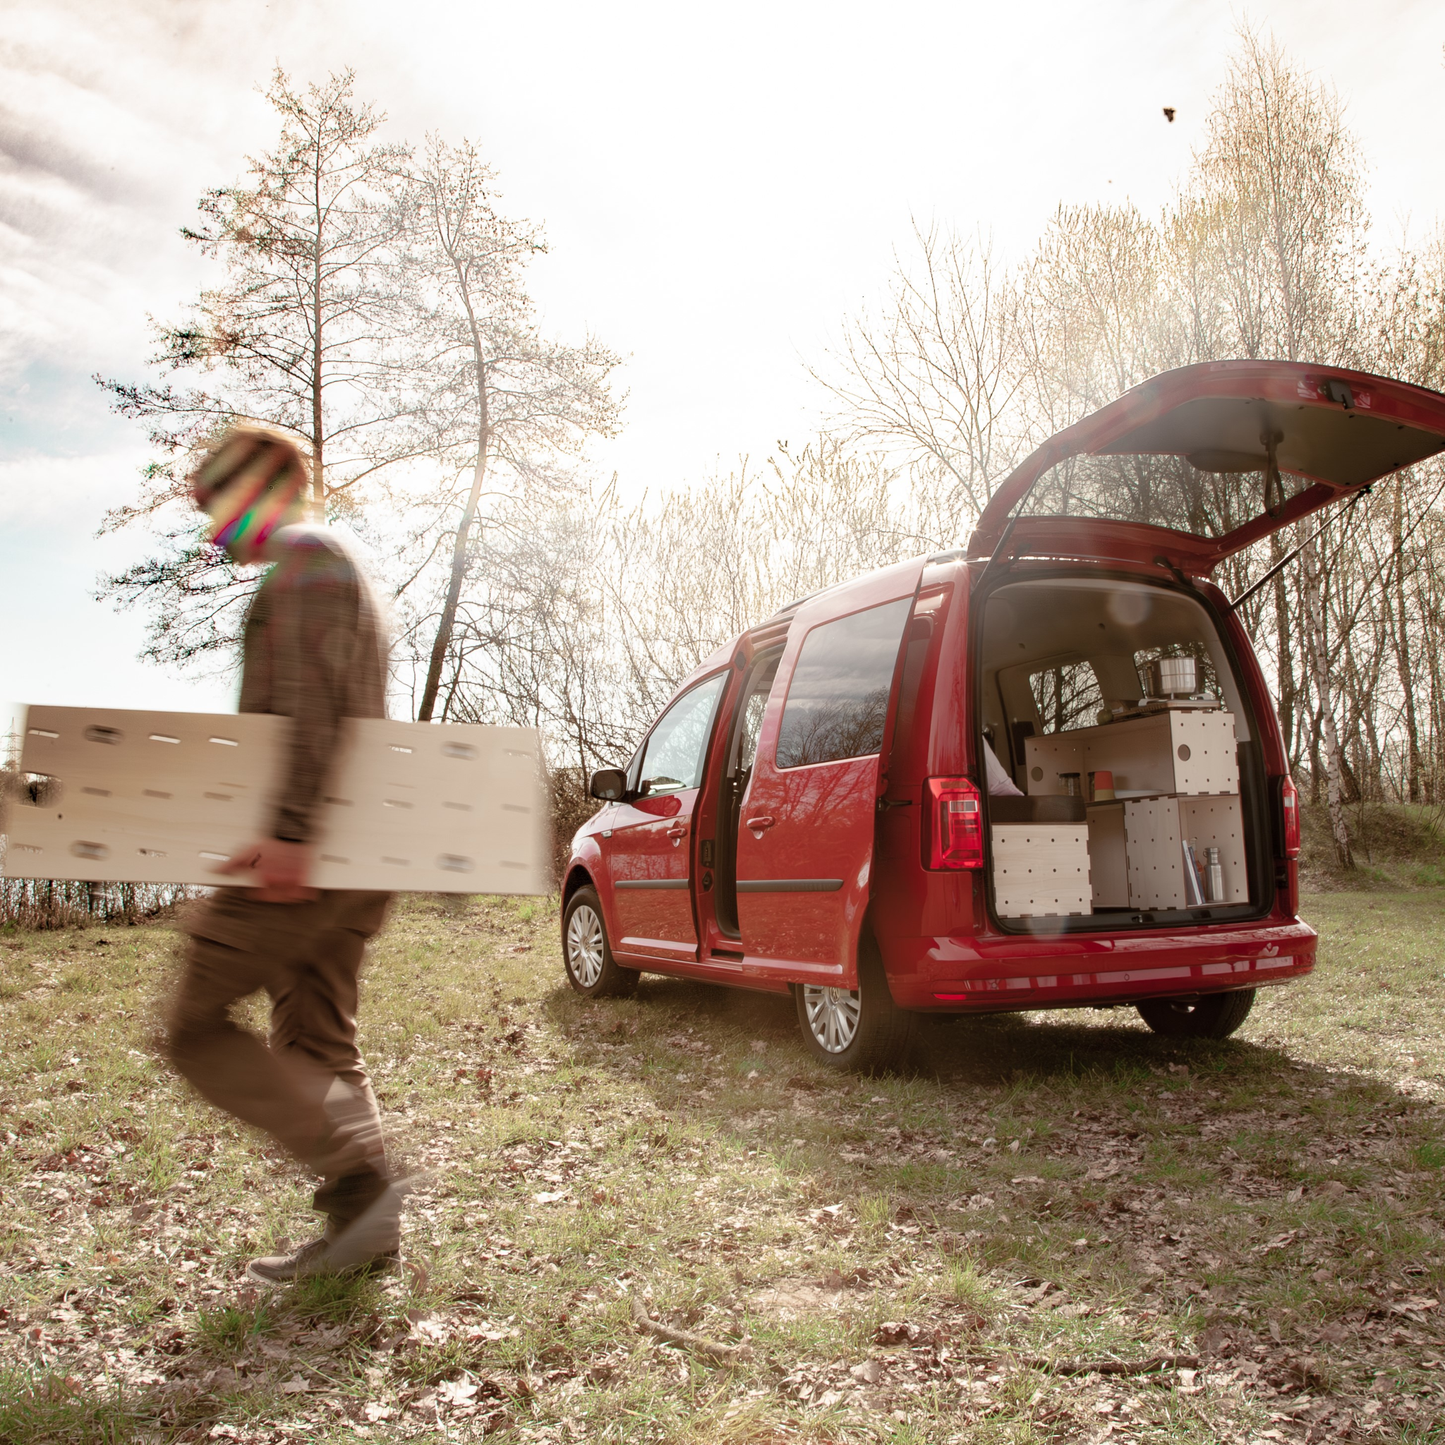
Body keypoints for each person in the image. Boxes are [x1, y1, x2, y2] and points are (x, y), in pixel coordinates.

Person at [164, 424, 403, 1282]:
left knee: (190, 1027)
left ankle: (364, 1174)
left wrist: (292, 836)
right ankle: (358, 1235)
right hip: (352, 849)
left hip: (311, 853)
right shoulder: (326, 562)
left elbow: (312, 710)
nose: (209, 529)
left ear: (258, 488)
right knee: (317, 1039)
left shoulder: (307, 560)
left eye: (212, 505)